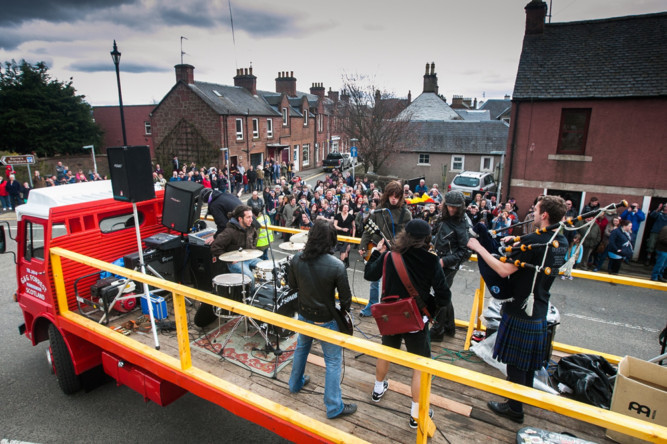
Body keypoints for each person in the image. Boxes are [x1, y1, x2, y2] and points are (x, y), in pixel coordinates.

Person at [466, 195, 568, 424]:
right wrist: (518, 240)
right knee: (530, 362)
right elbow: (535, 253)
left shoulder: (534, 241)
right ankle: (525, 397)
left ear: (544, 215)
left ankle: (514, 409)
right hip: (540, 307)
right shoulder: (561, 241)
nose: (532, 213)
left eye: (536, 210)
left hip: (521, 308)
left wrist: (479, 248)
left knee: (515, 364)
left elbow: (503, 270)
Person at [364, 219, 450, 429]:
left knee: (386, 351)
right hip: (415, 319)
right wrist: (431, 312)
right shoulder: (431, 260)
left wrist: (377, 251)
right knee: (419, 365)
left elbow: (369, 274)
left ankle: (377, 389)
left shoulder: (389, 255)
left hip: (390, 316)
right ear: (426, 238)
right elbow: (444, 296)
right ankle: (415, 413)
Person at [288, 220, 356, 419]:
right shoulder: (337, 265)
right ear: (331, 239)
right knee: (333, 361)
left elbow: (293, 286)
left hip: (304, 313)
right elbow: (346, 301)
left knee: (301, 348)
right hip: (326, 318)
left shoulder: (296, 259)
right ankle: (334, 407)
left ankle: (294, 384)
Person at [358, 181, 412, 317]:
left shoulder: (405, 214)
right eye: (391, 195)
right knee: (374, 281)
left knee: (393, 282)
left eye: (397, 196)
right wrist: (363, 245)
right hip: (378, 250)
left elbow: (410, 236)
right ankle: (372, 305)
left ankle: (390, 307)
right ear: (386, 195)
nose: (394, 198)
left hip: (396, 253)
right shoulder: (379, 210)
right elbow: (368, 230)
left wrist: (395, 243)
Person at [431, 190, 470, 340]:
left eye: (455, 207)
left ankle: (437, 331)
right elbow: (438, 234)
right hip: (438, 258)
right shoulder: (444, 216)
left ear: (461, 207)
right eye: (449, 206)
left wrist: (444, 261)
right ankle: (449, 327)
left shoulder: (463, 224)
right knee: (444, 294)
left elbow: (465, 252)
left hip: (449, 264)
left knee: (441, 295)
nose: (452, 209)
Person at [209, 205, 260, 286]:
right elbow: (215, 247)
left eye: (252, 217)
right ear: (240, 219)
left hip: (249, 258)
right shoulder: (229, 232)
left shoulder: (251, 228)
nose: (251, 220)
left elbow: (254, 239)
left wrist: (252, 250)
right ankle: (252, 296)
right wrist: (230, 260)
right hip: (236, 262)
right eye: (248, 217)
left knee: (267, 267)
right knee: (250, 278)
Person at [334, 203, 355, 268]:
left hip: (347, 236)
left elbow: (354, 227)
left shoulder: (351, 216)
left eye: (347, 207)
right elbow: (335, 225)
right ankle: (345, 262)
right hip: (339, 235)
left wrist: (353, 237)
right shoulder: (337, 215)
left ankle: (342, 263)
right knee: (345, 249)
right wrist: (342, 229)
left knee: (344, 249)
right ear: (342, 208)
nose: (346, 209)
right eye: (344, 207)